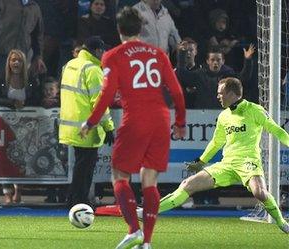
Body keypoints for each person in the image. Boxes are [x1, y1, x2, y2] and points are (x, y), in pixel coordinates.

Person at [80, 7, 186, 249]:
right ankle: (147, 242)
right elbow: (177, 91)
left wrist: (91, 121)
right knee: (150, 181)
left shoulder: (113, 56)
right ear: (141, 28)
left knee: (119, 175)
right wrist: (179, 122)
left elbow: (106, 94)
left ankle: (133, 230)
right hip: (160, 119)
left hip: (135, 118)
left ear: (119, 30)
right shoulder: (158, 53)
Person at [144, 77, 289, 234]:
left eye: (220, 93)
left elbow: (277, 131)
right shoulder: (224, 116)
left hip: (248, 162)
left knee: (259, 193)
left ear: (232, 93)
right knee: (187, 184)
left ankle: (281, 222)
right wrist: (201, 161)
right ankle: (147, 213)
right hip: (226, 164)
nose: (218, 96)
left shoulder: (255, 110)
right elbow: (216, 142)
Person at [60, 36, 115, 208]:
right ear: (98, 51)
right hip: (87, 127)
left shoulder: (70, 64)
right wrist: (108, 127)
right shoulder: (93, 70)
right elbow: (99, 102)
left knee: (80, 165)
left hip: (70, 124)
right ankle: (78, 202)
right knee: (85, 168)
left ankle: (74, 200)